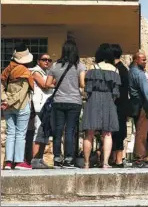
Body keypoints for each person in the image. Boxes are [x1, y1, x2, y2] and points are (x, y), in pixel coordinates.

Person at [46, 39, 86, 169]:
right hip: (74, 102)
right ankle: (69, 159)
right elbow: (82, 84)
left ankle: (57, 159)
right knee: (69, 131)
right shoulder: (79, 65)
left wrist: (58, 84)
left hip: (58, 101)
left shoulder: (55, 66)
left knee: (58, 130)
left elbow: (47, 84)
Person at [81, 43, 121, 169]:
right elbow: (116, 92)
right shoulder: (115, 70)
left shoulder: (93, 67)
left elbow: (87, 88)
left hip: (94, 99)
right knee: (107, 133)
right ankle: (105, 163)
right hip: (108, 100)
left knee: (89, 133)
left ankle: (86, 163)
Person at [1, 43, 35, 170]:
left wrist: (5, 100)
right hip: (21, 105)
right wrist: (10, 102)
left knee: (10, 133)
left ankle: (9, 162)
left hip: (7, 107)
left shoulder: (7, 69)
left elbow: (2, 87)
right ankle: (19, 162)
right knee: (20, 134)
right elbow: (22, 92)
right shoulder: (25, 72)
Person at [129, 51, 148, 168]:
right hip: (142, 105)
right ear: (136, 60)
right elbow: (146, 92)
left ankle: (142, 157)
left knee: (140, 130)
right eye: (143, 59)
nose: (145, 62)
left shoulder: (131, 71)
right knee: (142, 132)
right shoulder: (140, 74)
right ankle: (139, 158)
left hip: (134, 104)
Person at [29, 53, 54, 169]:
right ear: (38, 61)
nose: (47, 61)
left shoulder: (47, 73)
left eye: (49, 60)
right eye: (44, 59)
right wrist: (54, 83)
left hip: (47, 106)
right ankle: (35, 159)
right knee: (38, 132)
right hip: (39, 106)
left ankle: (40, 159)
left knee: (44, 133)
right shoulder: (35, 71)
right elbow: (45, 85)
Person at [110, 44, 131, 168]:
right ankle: (116, 158)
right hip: (122, 105)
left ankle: (118, 159)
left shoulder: (118, 70)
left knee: (118, 132)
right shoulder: (123, 69)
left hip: (118, 105)